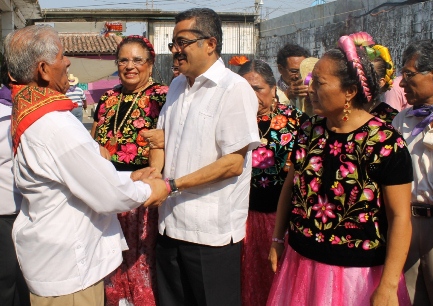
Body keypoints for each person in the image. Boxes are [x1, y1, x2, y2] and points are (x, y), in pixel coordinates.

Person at [4, 25, 164, 305]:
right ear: (43, 69)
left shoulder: (33, 112)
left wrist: (131, 175)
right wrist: (148, 189)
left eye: (137, 60)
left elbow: (83, 167)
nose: (67, 62)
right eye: (62, 56)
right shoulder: (57, 123)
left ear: (150, 64)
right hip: (72, 263)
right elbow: (106, 191)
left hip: (72, 242)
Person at [267, 33, 413, 306]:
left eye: (319, 83)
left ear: (349, 91)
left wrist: (389, 285)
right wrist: (278, 238)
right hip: (300, 263)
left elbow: (400, 218)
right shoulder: (309, 130)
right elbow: (291, 186)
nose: (309, 89)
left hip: (356, 275)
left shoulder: (385, 143)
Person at [143, 8, 260, 306]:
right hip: (170, 225)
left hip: (209, 235)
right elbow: (161, 140)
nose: (176, 51)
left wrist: (171, 185)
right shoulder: (177, 86)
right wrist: (154, 174)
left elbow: (233, 163)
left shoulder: (234, 89)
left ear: (210, 43)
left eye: (182, 42)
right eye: (173, 43)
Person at [91, 35, 168, 306]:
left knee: (142, 264)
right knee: (111, 264)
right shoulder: (108, 98)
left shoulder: (163, 96)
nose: (130, 66)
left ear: (150, 63)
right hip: (109, 193)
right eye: (123, 60)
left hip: (143, 194)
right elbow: (94, 140)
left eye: (137, 60)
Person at [235, 58, 308, 306]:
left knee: (281, 278)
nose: (252, 95)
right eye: (245, 89)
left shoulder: (298, 121)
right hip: (241, 216)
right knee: (246, 277)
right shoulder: (231, 121)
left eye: (258, 88)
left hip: (282, 218)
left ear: (274, 89)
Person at [392, 39, 433, 306]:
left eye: (409, 75)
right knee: (410, 298)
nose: (402, 84)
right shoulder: (401, 121)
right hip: (407, 226)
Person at [0, 61, 30, 306]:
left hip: (30, 208)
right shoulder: (5, 112)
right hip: (6, 211)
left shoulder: (31, 110)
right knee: (8, 276)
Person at [276, 44, 311, 113]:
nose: (298, 76)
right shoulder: (272, 92)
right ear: (280, 69)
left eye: (302, 71)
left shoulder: (312, 89)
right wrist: (287, 95)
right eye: (294, 71)